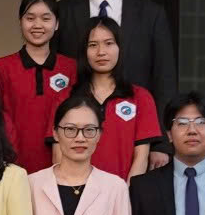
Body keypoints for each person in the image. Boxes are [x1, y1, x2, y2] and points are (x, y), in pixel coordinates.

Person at [69, 15, 166, 179]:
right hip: (77, 190)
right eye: (93, 45)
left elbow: (141, 157)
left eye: (109, 43)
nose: (101, 52)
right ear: (84, 51)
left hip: (124, 189)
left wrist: (126, 191)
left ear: (120, 48)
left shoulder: (141, 97)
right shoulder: (67, 97)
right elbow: (59, 154)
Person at [0, 0, 78, 172]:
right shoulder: (1, 68)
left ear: (57, 24)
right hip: (13, 167)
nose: (37, 25)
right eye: (30, 18)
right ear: (20, 22)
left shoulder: (71, 68)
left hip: (62, 167)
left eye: (46, 19)